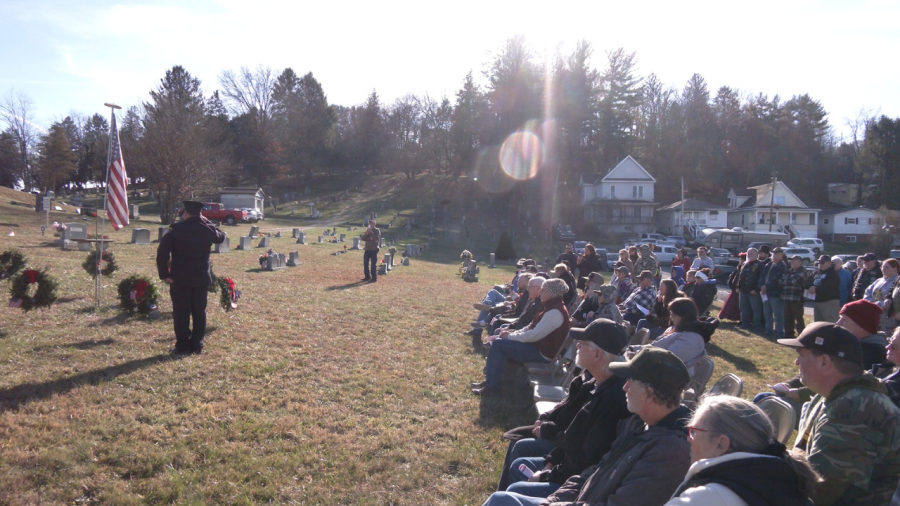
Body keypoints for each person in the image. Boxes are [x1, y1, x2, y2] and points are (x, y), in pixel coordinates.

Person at [481, 347, 693, 506]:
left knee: (502, 501)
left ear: (651, 393)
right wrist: (555, 499)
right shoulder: (639, 424)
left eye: (631, 381)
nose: (625, 386)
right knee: (506, 495)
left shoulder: (670, 452)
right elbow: (596, 470)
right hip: (578, 499)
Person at [503, 320, 631, 498]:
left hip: (578, 487)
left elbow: (587, 461)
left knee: (512, 492)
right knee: (520, 464)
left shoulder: (612, 399)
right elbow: (572, 436)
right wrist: (550, 463)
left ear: (597, 355)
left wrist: (548, 474)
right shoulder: (597, 382)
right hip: (566, 467)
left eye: (583, 343)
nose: (577, 345)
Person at [778, 323, 900, 506]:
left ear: (824, 362)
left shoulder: (856, 409)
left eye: (801, 355)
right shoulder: (833, 394)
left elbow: (819, 490)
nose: (796, 363)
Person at [664, 396, 821, 506]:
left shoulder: (706, 498)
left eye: (694, 431)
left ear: (721, 444)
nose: (689, 438)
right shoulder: (782, 487)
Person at [473, 278, 571, 396]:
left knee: (499, 344)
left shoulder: (555, 312)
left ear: (551, 292)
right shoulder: (551, 307)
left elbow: (533, 335)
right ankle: (493, 381)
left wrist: (509, 337)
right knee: (500, 341)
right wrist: (510, 334)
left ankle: (492, 386)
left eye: (543, 290)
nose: (541, 292)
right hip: (536, 347)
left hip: (542, 354)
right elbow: (530, 328)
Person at [156, 200, 227, 355]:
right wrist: (208, 223)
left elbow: (162, 253)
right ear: (200, 214)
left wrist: (165, 275)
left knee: (181, 313)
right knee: (199, 312)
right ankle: (197, 345)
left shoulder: (176, 230)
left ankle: (183, 346)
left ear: (185, 213)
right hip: (201, 278)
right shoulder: (207, 229)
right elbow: (222, 237)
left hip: (180, 279)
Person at [630, 297, 714, 368]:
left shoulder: (692, 338)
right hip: (654, 366)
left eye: (673, 314)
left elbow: (668, 359)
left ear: (684, 315)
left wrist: (637, 355)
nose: (671, 317)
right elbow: (654, 346)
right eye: (670, 314)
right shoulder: (676, 328)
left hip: (666, 378)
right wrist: (632, 348)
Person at [838, 299, 889, 368]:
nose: (838, 323)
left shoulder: (873, 354)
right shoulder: (854, 344)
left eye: (843, 319)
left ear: (861, 325)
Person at [864, 257, 900, 334]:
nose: (883, 269)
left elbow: (895, 298)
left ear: (895, 268)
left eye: (886, 267)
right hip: (875, 317)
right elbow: (868, 292)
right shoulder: (879, 280)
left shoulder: (897, 282)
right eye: (882, 267)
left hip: (889, 319)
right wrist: (869, 303)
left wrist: (880, 304)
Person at [759, 246, 788, 337]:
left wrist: (766, 287)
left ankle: (779, 332)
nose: (774, 255)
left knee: (778, 314)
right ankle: (769, 330)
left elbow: (777, 279)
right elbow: (762, 276)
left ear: (781, 255)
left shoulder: (782, 265)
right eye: (773, 253)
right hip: (765, 293)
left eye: (776, 253)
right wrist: (762, 285)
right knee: (767, 313)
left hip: (776, 293)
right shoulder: (768, 264)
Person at [807, 255, 841, 322]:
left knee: (830, 324)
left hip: (829, 302)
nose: (820, 264)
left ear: (829, 263)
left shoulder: (833, 274)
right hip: (817, 301)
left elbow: (830, 286)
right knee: (818, 324)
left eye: (822, 262)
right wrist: (810, 287)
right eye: (819, 262)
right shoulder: (816, 272)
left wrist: (816, 289)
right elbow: (808, 282)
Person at [782, 255, 809, 339]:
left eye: (795, 260)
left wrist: (786, 279)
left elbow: (794, 281)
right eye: (792, 260)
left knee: (798, 318)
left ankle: (802, 335)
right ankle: (789, 334)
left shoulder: (803, 271)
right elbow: (780, 280)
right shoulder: (789, 271)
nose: (792, 262)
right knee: (788, 317)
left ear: (800, 262)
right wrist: (787, 279)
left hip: (797, 299)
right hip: (786, 298)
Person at [737, 248, 764, 330]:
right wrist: (738, 286)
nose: (749, 255)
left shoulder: (759, 265)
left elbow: (761, 278)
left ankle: (756, 325)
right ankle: (745, 324)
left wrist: (756, 289)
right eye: (748, 253)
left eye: (751, 253)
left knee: (756, 309)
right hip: (743, 291)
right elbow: (740, 276)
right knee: (743, 308)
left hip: (753, 291)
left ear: (756, 255)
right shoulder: (745, 264)